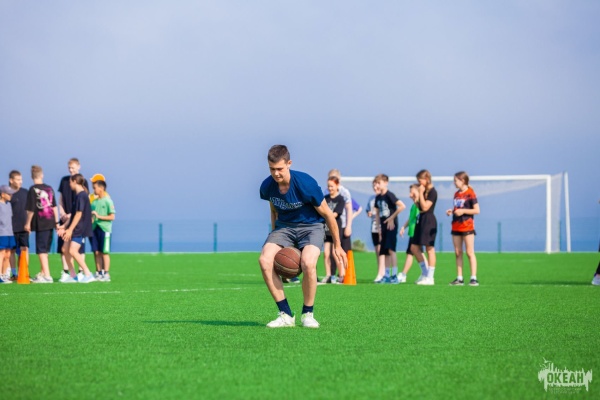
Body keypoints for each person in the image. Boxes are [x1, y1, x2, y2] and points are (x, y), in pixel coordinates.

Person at [259, 145, 347, 329]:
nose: (276, 173)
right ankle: (285, 315)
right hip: (284, 227)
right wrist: (274, 237)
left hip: (311, 227)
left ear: (289, 164)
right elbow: (273, 209)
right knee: (265, 260)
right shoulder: (267, 186)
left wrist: (338, 245)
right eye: (272, 169)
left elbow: (328, 215)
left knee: (308, 263)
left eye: (280, 169)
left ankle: (308, 314)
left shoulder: (306, 184)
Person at [57, 174, 96, 283]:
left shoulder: (82, 196)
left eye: (70, 182)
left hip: (79, 229)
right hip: (74, 228)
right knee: (65, 249)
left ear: (75, 181)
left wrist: (69, 230)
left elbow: (79, 214)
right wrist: (64, 226)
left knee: (73, 251)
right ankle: (73, 276)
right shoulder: (78, 196)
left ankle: (88, 274)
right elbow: (73, 215)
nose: (69, 184)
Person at [25, 165, 59, 283]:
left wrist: (28, 223)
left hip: (41, 223)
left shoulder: (32, 189)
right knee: (45, 250)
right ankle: (43, 273)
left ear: (32, 176)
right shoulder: (49, 188)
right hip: (51, 222)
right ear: (42, 175)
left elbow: (31, 209)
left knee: (41, 250)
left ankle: (47, 276)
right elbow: (54, 207)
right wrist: (57, 222)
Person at [447, 171, 481, 286]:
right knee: (458, 252)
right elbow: (458, 208)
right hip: (455, 226)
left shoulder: (471, 193)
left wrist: (463, 211)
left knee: (469, 252)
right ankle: (459, 278)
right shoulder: (456, 194)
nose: (454, 183)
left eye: (455, 180)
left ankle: (473, 278)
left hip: (467, 226)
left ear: (462, 180)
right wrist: (452, 211)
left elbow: (477, 210)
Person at [373, 174, 406, 284]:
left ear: (386, 183)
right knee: (384, 251)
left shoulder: (389, 195)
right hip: (383, 227)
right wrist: (378, 228)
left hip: (391, 226)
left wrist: (392, 217)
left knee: (391, 250)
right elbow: (377, 213)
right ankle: (386, 275)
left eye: (379, 183)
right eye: (376, 183)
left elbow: (402, 206)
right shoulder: (378, 197)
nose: (377, 185)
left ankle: (394, 275)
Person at [411, 169, 438, 285]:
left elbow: (426, 207)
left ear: (426, 179)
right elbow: (420, 208)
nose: (419, 183)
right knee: (414, 247)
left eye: (420, 180)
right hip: (421, 219)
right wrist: (416, 199)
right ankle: (425, 273)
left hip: (429, 220)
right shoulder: (424, 191)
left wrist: (421, 194)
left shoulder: (432, 192)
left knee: (429, 249)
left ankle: (430, 277)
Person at [321, 176, 346, 284]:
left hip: (335, 229)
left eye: (332, 186)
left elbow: (336, 214)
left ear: (337, 186)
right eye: (328, 186)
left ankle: (342, 275)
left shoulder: (341, 199)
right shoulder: (325, 198)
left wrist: (327, 216)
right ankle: (328, 275)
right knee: (326, 253)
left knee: (335, 253)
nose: (330, 188)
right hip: (326, 229)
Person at [90, 179, 116, 282]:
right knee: (96, 252)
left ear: (101, 188)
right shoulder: (94, 202)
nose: (94, 190)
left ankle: (106, 273)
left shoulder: (108, 201)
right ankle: (98, 272)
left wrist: (99, 216)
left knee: (104, 252)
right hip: (94, 229)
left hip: (105, 230)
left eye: (95, 188)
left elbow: (112, 217)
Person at [398, 184, 421, 283]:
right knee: (412, 253)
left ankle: (404, 275)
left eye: (412, 192)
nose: (410, 195)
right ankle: (404, 274)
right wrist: (404, 226)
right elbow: (411, 218)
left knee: (413, 253)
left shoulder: (420, 206)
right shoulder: (414, 206)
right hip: (412, 233)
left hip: (417, 233)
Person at [8, 170, 29, 281]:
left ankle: (24, 273)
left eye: (21, 179)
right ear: (11, 180)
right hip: (10, 228)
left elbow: (30, 210)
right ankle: (14, 274)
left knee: (24, 250)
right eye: (18, 179)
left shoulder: (26, 192)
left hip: (24, 227)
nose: (20, 181)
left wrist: (29, 224)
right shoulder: (6, 194)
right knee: (11, 251)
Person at [0, 185, 17, 284]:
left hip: (10, 233)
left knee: (7, 254)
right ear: (2, 194)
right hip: (1, 233)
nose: (11, 195)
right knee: (1, 253)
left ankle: (4, 275)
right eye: (9, 194)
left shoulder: (9, 204)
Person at [365, 179, 381, 269]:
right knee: (377, 250)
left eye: (376, 185)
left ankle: (386, 271)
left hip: (382, 226)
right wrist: (369, 213)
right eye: (373, 186)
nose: (375, 188)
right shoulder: (371, 198)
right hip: (374, 226)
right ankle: (380, 271)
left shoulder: (385, 197)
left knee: (382, 250)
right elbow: (368, 209)